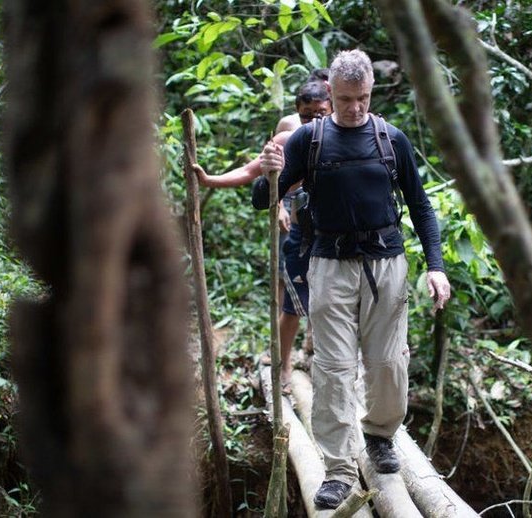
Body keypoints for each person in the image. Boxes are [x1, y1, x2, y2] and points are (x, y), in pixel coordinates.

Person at [251, 49, 451, 509]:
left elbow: (420, 206)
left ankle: (380, 434)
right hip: (329, 264)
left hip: (387, 264)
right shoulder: (309, 140)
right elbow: (264, 198)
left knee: (387, 364)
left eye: (362, 98)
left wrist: (436, 265)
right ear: (331, 93)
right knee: (334, 369)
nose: (354, 108)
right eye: (345, 99)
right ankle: (339, 469)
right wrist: (270, 173)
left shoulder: (391, 139)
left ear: (371, 93)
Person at [192, 80, 332, 386]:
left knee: (330, 305)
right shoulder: (287, 139)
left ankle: (322, 362)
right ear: (298, 113)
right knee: (292, 305)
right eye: (308, 115)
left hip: (333, 238)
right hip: (300, 232)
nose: (315, 120)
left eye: (321, 112)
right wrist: (209, 180)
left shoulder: (345, 137)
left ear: (332, 109)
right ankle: (283, 368)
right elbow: (250, 172)